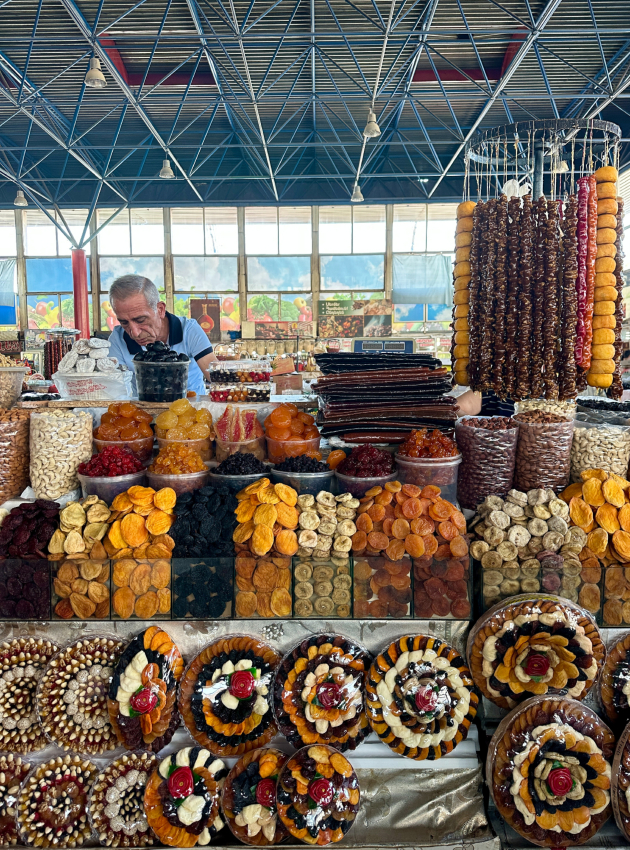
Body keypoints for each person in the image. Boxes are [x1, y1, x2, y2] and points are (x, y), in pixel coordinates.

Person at [107, 275, 217, 396]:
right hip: (144, 413)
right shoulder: (117, 339)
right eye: (124, 322)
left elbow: (218, 380)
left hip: (190, 411)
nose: (135, 333)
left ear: (160, 309)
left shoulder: (189, 330)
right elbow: (115, 393)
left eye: (141, 320)